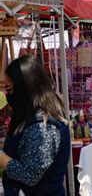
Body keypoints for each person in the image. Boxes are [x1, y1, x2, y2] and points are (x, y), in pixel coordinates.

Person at [0, 55, 70, 196]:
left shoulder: (43, 127)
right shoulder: (30, 115)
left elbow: (30, 175)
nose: (6, 94)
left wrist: (1, 158)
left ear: (24, 88)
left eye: (9, 89)